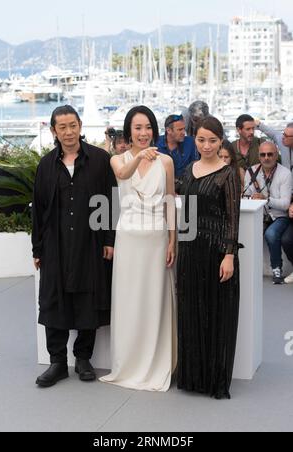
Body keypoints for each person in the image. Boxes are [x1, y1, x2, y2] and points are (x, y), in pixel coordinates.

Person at [32, 105, 117, 388]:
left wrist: (108, 240)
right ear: (54, 131)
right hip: (55, 243)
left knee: (87, 298)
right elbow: (39, 210)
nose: (68, 132)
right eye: (62, 127)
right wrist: (37, 248)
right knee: (53, 300)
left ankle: (83, 358)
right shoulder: (46, 165)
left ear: (80, 126)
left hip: (89, 241)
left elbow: (109, 202)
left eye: (72, 125)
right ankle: (57, 362)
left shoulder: (100, 160)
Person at [100, 105, 177, 391]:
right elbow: (122, 175)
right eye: (138, 128)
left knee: (153, 300)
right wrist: (138, 157)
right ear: (129, 132)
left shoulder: (166, 161)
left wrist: (173, 240)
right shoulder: (118, 159)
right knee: (129, 301)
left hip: (156, 239)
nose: (144, 133)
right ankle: (129, 364)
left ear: (154, 131)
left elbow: (170, 201)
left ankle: (157, 363)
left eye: (148, 128)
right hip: (129, 238)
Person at [177, 116, 241, 399]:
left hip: (216, 253)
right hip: (190, 251)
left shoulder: (228, 175)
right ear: (195, 139)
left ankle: (214, 379)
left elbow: (232, 219)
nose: (206, 145)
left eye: (212, 140)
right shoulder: (188, 170)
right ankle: (192, 378)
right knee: (191, 312)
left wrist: (229, 256)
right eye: (201, 140)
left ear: (221, 141)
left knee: (216, 315)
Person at [243, 142, 292, 284]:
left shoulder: (285, 173)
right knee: (246, 233)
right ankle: (245, 269)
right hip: (259, 215)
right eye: (263, 155)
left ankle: (277, 269)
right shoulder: (251, 172)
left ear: (276, 156)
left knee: (271, 234)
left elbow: (285, 204)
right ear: (258, 156)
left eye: (270, 154)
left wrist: (265, 199)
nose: (266, 158)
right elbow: (246, 196)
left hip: (279, 216)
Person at [156, 114, 199, 193]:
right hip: (163, 191)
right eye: (179, 130)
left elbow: (196, 167)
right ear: (168, 130)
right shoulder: (156, 144)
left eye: (184, 129)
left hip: (187, 189)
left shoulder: (191, 142)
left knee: (193, 204)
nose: (183, 132)